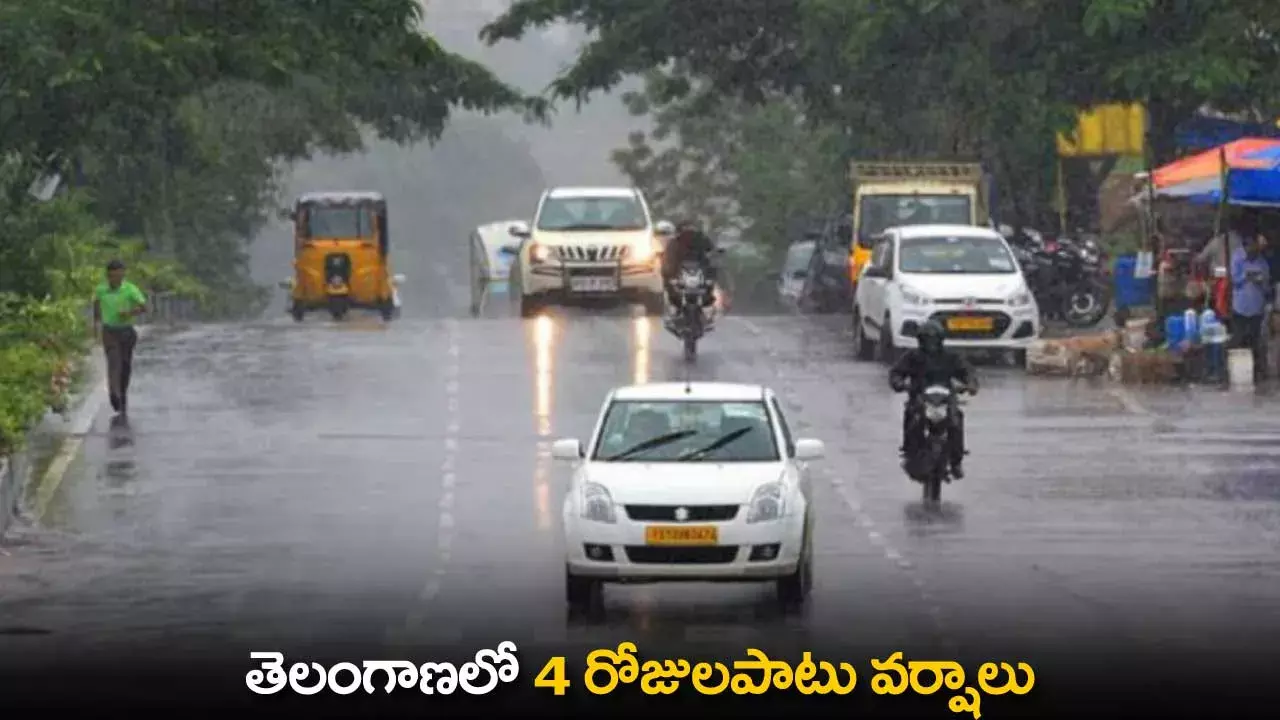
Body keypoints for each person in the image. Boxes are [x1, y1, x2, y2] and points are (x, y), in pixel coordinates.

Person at [888, 320, 977, 479]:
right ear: (920, 340)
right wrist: (899, 383)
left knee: (956, 421)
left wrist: (971, 384)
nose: (931, 344)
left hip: (946, 398)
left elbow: (967, 371)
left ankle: (956, 461)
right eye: (927, 340)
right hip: (920, 397)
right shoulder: (912, 356)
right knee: (912, 418)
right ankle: (910, 453)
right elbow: (897, 372)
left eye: (934, 340)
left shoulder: (951, 356)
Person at [92, 259, 148, 415]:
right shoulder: (101, 290)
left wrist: (129, 313)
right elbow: (96, 308)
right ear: (108, 276)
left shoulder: (130, 289)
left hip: (127, 331)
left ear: (123, 275)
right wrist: (95, 328)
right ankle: (113, 393)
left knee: (125, 365)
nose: (115, 279)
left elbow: (144, 307)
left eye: (119, 275)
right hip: (109, 331)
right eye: (112, 276)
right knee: (113, 361)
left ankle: (122, 393)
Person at [1229, 234, 1270, 381]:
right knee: (1239, 338)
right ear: (1247, 246)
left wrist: (1260, 281)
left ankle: (1256, 372)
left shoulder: (1262, 262)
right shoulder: (1237, 258)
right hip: (1240, 305)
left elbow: (1267, 287)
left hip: (1256, 306)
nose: (1254, 252)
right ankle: (1235, 371)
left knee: (1255, 340)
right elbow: (1234, 279)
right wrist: (1246, 276)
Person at [660, 220, 718, 314]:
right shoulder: (676, 242)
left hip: (695, 276)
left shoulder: (698, 239)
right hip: (684, 275)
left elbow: (712, 253)